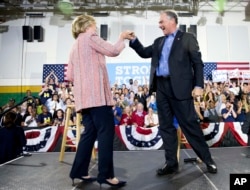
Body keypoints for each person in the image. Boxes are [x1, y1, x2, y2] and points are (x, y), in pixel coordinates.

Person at [128, 9, 217, 175]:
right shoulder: (158, 42)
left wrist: (198, 85)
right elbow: (143, 53)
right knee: (166, 127)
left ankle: (208, 160)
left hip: (181, 89)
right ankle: (171, 163)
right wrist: (134, 40)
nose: (159, 25)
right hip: (161, 88)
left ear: (172, 21)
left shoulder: (188, 38)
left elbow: (198, 63)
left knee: (190, 126)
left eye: (161, 22)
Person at [66, 14, 132, 187]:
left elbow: (70, 76)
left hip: (84, 99)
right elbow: (113, 51)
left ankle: (78, 171)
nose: (95, 28)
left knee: (89, 134)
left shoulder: (74, 46)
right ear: (87, 25)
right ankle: (106, 175)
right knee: (105, 133)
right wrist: (121, 37)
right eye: (94, 25)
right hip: (97, 97)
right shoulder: (90, 37)